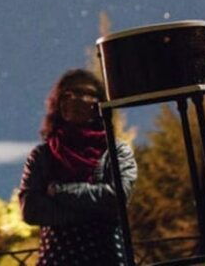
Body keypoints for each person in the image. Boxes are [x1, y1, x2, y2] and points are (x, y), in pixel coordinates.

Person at [19, 68, 137, 265]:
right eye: (68, 94)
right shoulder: (41, 156)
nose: (75, 100)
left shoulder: (117, 153)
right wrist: (93, 211)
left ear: (99, 103)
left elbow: (116, 198)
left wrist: (59, 192)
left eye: (85, 94)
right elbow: (31, 210)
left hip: (105, 257)